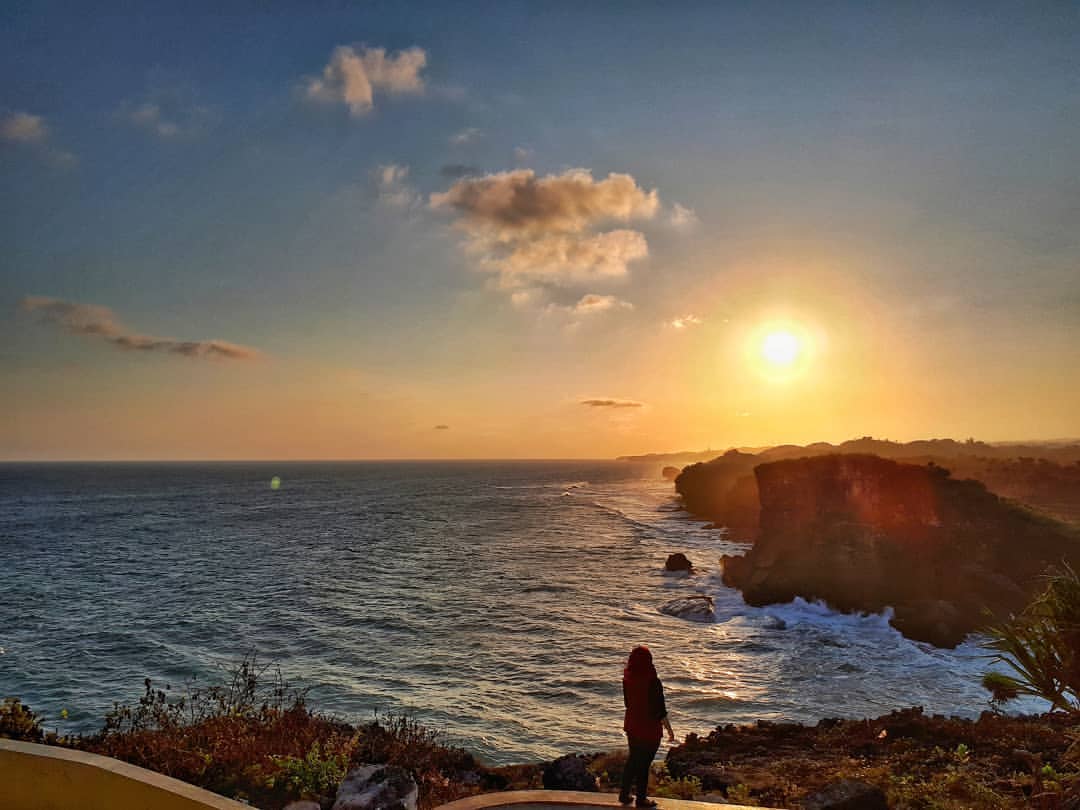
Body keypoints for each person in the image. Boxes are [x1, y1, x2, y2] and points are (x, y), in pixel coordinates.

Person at [619, 645, 675, 807]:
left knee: (633, 760)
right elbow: (660, 711)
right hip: (649, 729)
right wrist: (670, 731)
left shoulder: (627, 678)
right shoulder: (653, 681)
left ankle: (624, 795)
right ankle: (641, 799)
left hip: (632, 725)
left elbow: (627, 703)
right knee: (643, 765)